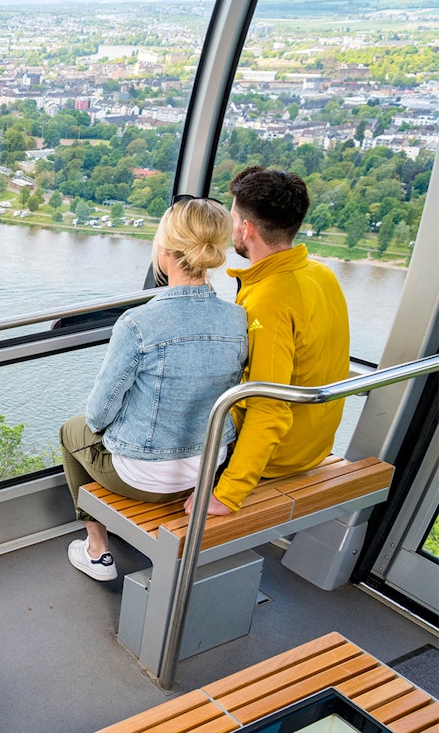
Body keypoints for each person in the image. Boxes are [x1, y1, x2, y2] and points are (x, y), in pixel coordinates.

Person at [61, 197, 248, 581]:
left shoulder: (138, 323)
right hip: (207, 468)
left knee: (71, 430)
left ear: (165, 252)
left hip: (141, 478)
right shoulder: (237, 318)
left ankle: (97, 549)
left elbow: (98, 414)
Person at [185, 166, 351, 516]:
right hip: (314, 444)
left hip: (281, 457)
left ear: (247, 229)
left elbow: (268, 409)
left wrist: (226, 493)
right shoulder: (321, 274)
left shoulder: (269, 302)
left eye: (233, 218)